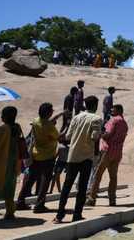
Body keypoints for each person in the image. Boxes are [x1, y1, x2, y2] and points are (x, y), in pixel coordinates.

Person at [53, 96, 102, 224]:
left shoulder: (76, 117)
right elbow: (94, 137)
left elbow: (68, 136)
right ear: (95, 106)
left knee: (67, 186)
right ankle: (77, 214)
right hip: (86, 157)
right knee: (82, 187)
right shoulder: (96, 119)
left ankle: (59, 215)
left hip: (73, 155)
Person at [16, 103, 59, 213]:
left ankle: (20, 201)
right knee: (45, 181)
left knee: (30, 179)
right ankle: (39, 205)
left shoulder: (35, 121)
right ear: (49, 113)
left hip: (36, 154)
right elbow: (57, 136)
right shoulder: (50, 126)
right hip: (48, 155)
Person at [86, 103, 128, 207]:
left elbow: (108, 134)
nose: (111, 111)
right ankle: (112, 200)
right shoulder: (124, 123)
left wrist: (100, 134)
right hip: (117, 152)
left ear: (118, 110)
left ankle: (91, 198)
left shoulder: (113, 120)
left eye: (113, 109)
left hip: (107, 150)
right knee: (113, 177)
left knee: (97, 175)